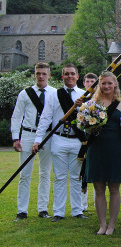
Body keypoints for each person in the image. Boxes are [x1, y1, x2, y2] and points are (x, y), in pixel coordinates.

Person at [32, 63, 88, 222]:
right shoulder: (54, 95)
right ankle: (58, 212)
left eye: (72, 74)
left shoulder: (84, 95)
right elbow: (45, 119)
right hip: (59, 139)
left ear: (77, 76)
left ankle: (77, 210)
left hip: (78, 140)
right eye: (66, 74)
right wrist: (38, 140)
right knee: (60, 177)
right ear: (62, 76)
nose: (70, 76)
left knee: (77, 177)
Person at [83, 72, 121, 235]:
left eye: (109, 83)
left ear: (115, 84)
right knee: (98, 187)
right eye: (103, 84)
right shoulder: (92, 103)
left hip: (115, 147)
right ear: (99, 85)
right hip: (96, 147)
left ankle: (112, 225)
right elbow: (84, 124)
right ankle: (102, 224)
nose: (107, 86)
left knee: (114, 187)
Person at [10, 62, 56, 221]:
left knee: (45, 173)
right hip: (28, 135)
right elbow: (16, 116)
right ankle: (21, 210)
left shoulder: (54, 93)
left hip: (47, 136)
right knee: (25, 174)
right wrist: (16, 137)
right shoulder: (25, 93)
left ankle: (43, 209)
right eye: (38, 73)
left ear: (49, 75)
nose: (41, 76)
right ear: (35, 74)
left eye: (44, 73)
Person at [81, 72, 98, 212]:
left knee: (96, 173)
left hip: (96, 140)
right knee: (82, 172)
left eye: (93, 81)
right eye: (88, 81)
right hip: (81, 140)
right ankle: (82, 204)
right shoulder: (80, 99)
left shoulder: (99, 100)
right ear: (84, 83)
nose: (90, 84)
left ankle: (96, 201)